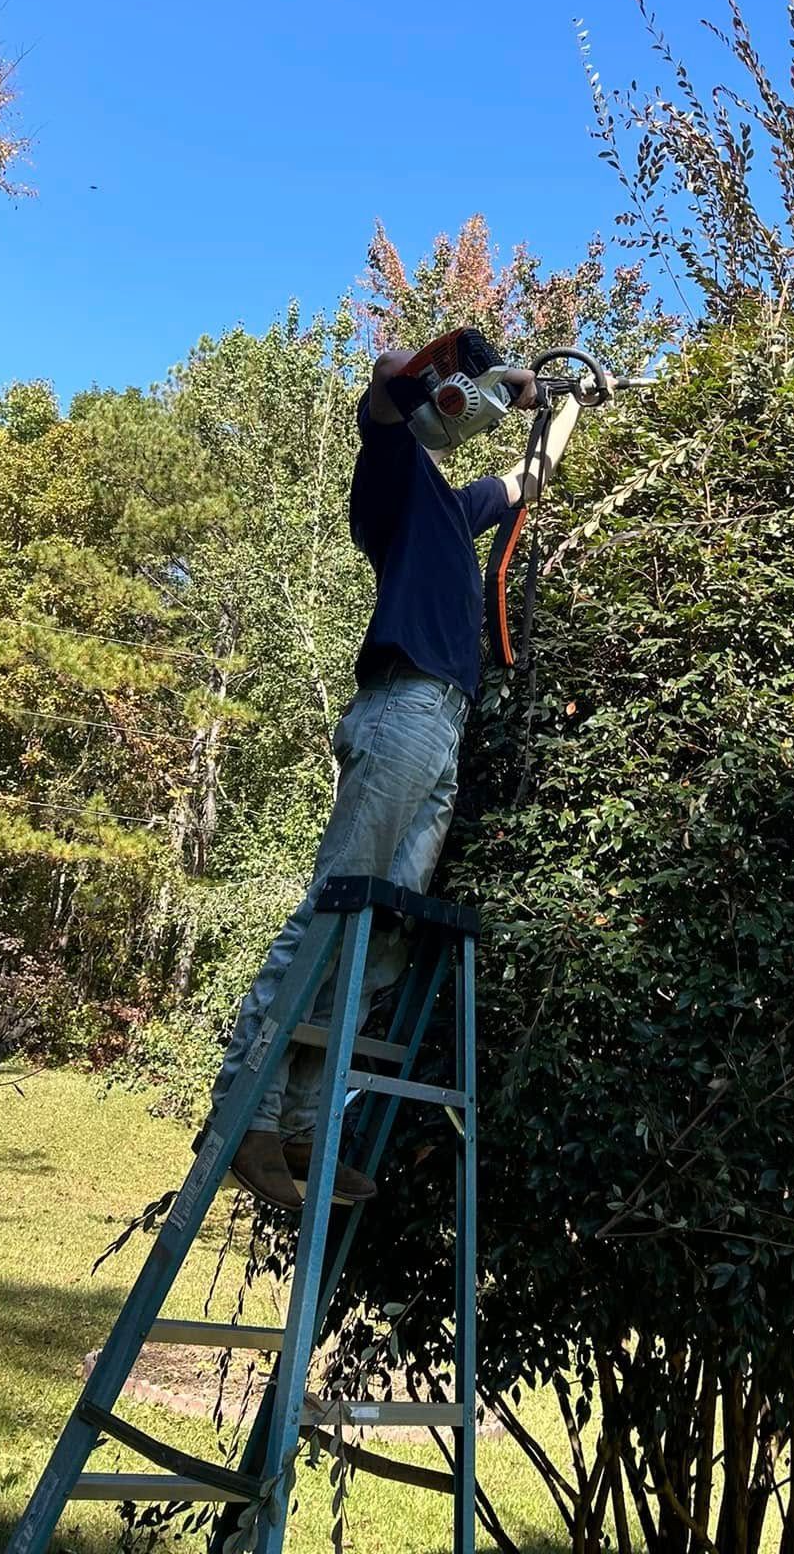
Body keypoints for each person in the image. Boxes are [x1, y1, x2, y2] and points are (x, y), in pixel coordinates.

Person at [206, 337, 582, 1211]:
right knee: (337, 905)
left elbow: (530, 482)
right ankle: (245, 1112)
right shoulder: (393, 481)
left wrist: (563, 403)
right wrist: (495, 371)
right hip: (403, 705)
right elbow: (386, 385)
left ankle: (301, 1130)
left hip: (443, 721)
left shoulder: (453, 509)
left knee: (381, 937)